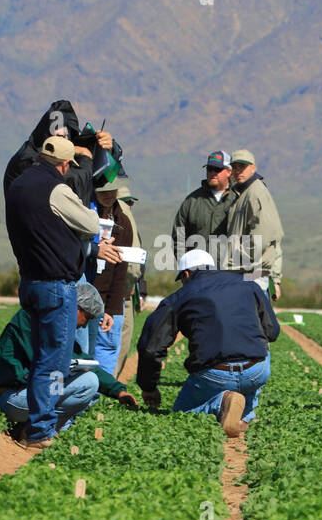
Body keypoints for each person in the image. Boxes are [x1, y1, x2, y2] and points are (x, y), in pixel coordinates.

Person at [4, 135, 101, 450]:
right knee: (54, 361)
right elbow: (90, 224)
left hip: (29, 282)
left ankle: (34, 424)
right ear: (63, 164)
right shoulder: (56, 189)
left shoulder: (18, 185)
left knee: (40, 356)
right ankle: (41, 430)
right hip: (55, 285)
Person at [137, 248, 280, 435]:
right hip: (256, 371)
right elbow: (273, 332)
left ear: (186, 274)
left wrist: (148, 387)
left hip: (215, 375)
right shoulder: (249, 283)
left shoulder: (179, 297)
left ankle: (220, 403)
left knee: (181, 414)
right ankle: (244, 415)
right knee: (261, 349)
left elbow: (151, 347)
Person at [0, 282, 139, 432]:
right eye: (87, 318)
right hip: (11, 397)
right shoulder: (33, 319)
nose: (84, 326)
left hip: (28, 394)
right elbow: (41, 366)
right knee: (87, 381)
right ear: (77, 308)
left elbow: (83, 360)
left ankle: (46, 427)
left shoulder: (54, 321)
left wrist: (119, 391)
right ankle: (37, 429)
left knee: (82, 378)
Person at [223, 149, 284, 300]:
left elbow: (264, 236)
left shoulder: (255, 192)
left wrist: (238, 261)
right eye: (235, 167)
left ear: (253, 168)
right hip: (246, 272)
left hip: (251, 273)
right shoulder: (243, 193)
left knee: (250, 320)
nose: (238, 171)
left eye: (242, 167)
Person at [92, 178, 134, 375]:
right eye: (103, 191)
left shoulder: (123, 223)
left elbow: (121, 271)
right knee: (81, 351)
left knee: (107, 348)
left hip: (109, 298)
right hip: (84, 295)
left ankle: (99, 395)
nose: (109, 195)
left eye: (112, 191)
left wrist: (112, 309)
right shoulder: (85, 216)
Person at [172, 151, 233, 261]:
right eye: (209, 169)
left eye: (217, 169)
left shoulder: (239, 198)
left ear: (229, 172)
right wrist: (185, 268)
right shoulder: (192, 201)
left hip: (230, 272)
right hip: (198, 271)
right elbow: (179, 238)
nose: (213, 173)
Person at [115, 177, 143, 379]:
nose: (129, 206)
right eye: (126, 202)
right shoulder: (122, 224)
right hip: (121, 291)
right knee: (118, 340)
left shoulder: (130, 225)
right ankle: (110, 382)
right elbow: (133, 265)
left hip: (129, 290)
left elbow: (141, 263)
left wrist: (142, 291)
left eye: (130, 202)